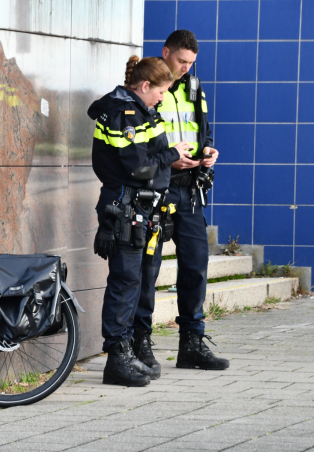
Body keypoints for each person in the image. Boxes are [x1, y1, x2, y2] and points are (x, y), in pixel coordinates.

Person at [88, 56, 193, 387]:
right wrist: (172, 154)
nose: (163, 97)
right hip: (125, 206)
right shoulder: (125, 114)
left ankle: (130, 350)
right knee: (125, 281)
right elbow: (139, 166)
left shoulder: (143, 110)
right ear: (145, 86)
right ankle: (117, 358)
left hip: (142, 207)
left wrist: (175, 156)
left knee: (137, 280)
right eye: (161, 91)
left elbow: (152, 159)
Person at [131, 30, 230, 373]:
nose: (186, 68)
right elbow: (136, 141)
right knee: (148, 269)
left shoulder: (194, 88)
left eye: (191, 63)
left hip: (189, 190)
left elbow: (202, 130)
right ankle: (140, 343)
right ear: (165, 53)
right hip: (156, 189)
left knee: (195, 266)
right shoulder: (148, 85)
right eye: (181, 61)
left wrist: (208, 151)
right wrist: (166, 160)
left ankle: (191, 343)